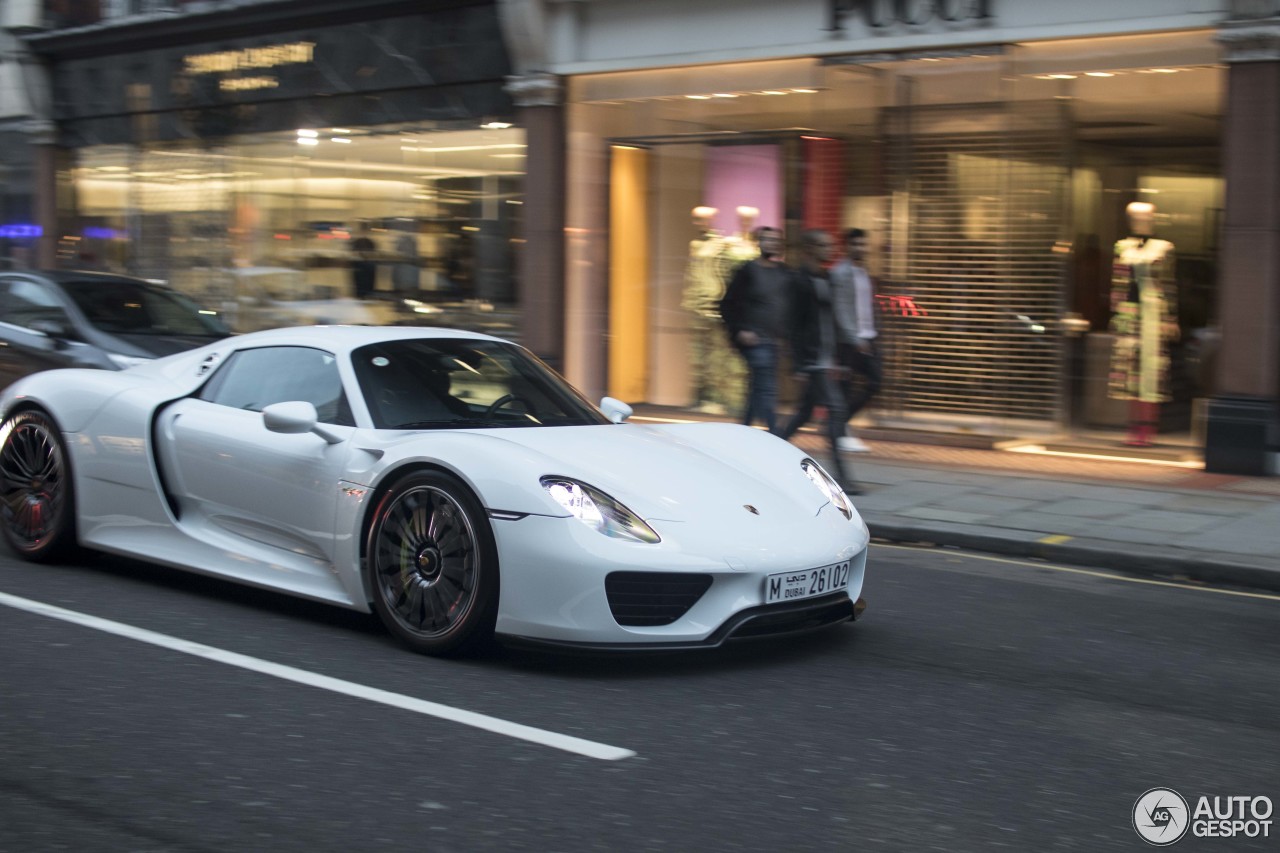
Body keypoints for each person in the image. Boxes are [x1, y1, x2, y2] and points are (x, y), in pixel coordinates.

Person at [776, 229, 858, 494]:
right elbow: (793, 324)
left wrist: (838, 358)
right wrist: (799, 364)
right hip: (811, 360)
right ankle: (842, 478)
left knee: (804, 413)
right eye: (825, 245)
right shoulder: (799, 280)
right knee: (836, 410)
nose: (830, 250)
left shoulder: (826, 277)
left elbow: (829, 322)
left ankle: (772, 446)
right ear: (811, 248)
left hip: (824, 357)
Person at [1108, 202, 1178, 447]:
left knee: (1151, 371)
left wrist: (1170, 318)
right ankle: (1133, 426)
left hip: (1153, 317)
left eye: (1145, 217)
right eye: (1135, 217)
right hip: (1130, 315)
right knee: (1131, 373)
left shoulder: (1164, 248)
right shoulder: (1123, 247)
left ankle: (1148, 429)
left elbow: (1168, 286)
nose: (1141, 221)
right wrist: (1116, 314)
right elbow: (1118, 283)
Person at [718, 226, 789, 432]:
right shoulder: (747, 271)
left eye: (776, 240)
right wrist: (740, 330)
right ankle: (776, 437)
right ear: (759, 243)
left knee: (757, 389)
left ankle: (744, 432)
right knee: (766, 388)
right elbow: (727, 305)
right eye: (767, 239)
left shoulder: (785, 273)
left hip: (775, 341)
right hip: (756, 341)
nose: (772, 243)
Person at [829, 228, 881, 453]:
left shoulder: (863, 271)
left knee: (876, 382)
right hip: (850, 340)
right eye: (855, 244)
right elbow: (840, 309)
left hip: (868, 336)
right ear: (847, 246)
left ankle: (839, 424)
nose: (860, 248)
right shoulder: (840, 273)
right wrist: (854, 337)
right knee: (846, 388)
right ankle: (839, 432)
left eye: (863, 244)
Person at [350, 226, 378, 299]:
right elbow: (374, 253)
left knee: (359, 282)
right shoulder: (370, 242)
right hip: (368, 266)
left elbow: (353, 252)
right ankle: (367, 294)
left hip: (359, 265)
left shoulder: (356, 242)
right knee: (368, 282)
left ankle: (360, 295)